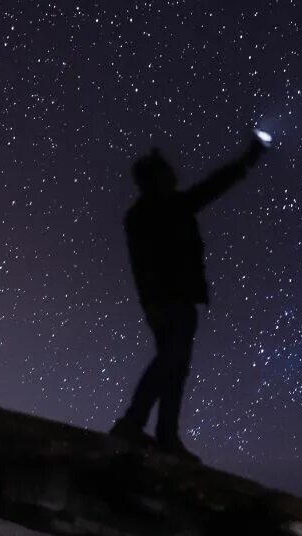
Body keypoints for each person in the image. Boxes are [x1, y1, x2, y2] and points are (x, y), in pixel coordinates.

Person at [111, 136, 267, 461]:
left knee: (175, 365)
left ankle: (165, 435)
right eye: (166, 173)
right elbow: (210, 188)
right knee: (171, 360)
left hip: (167, 302)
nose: (173, 175)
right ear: (154, 179)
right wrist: (246, 161)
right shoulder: (157, 210)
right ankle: (134, 424)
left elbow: (206, 190)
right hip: (170, 302)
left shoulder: (150, 211)